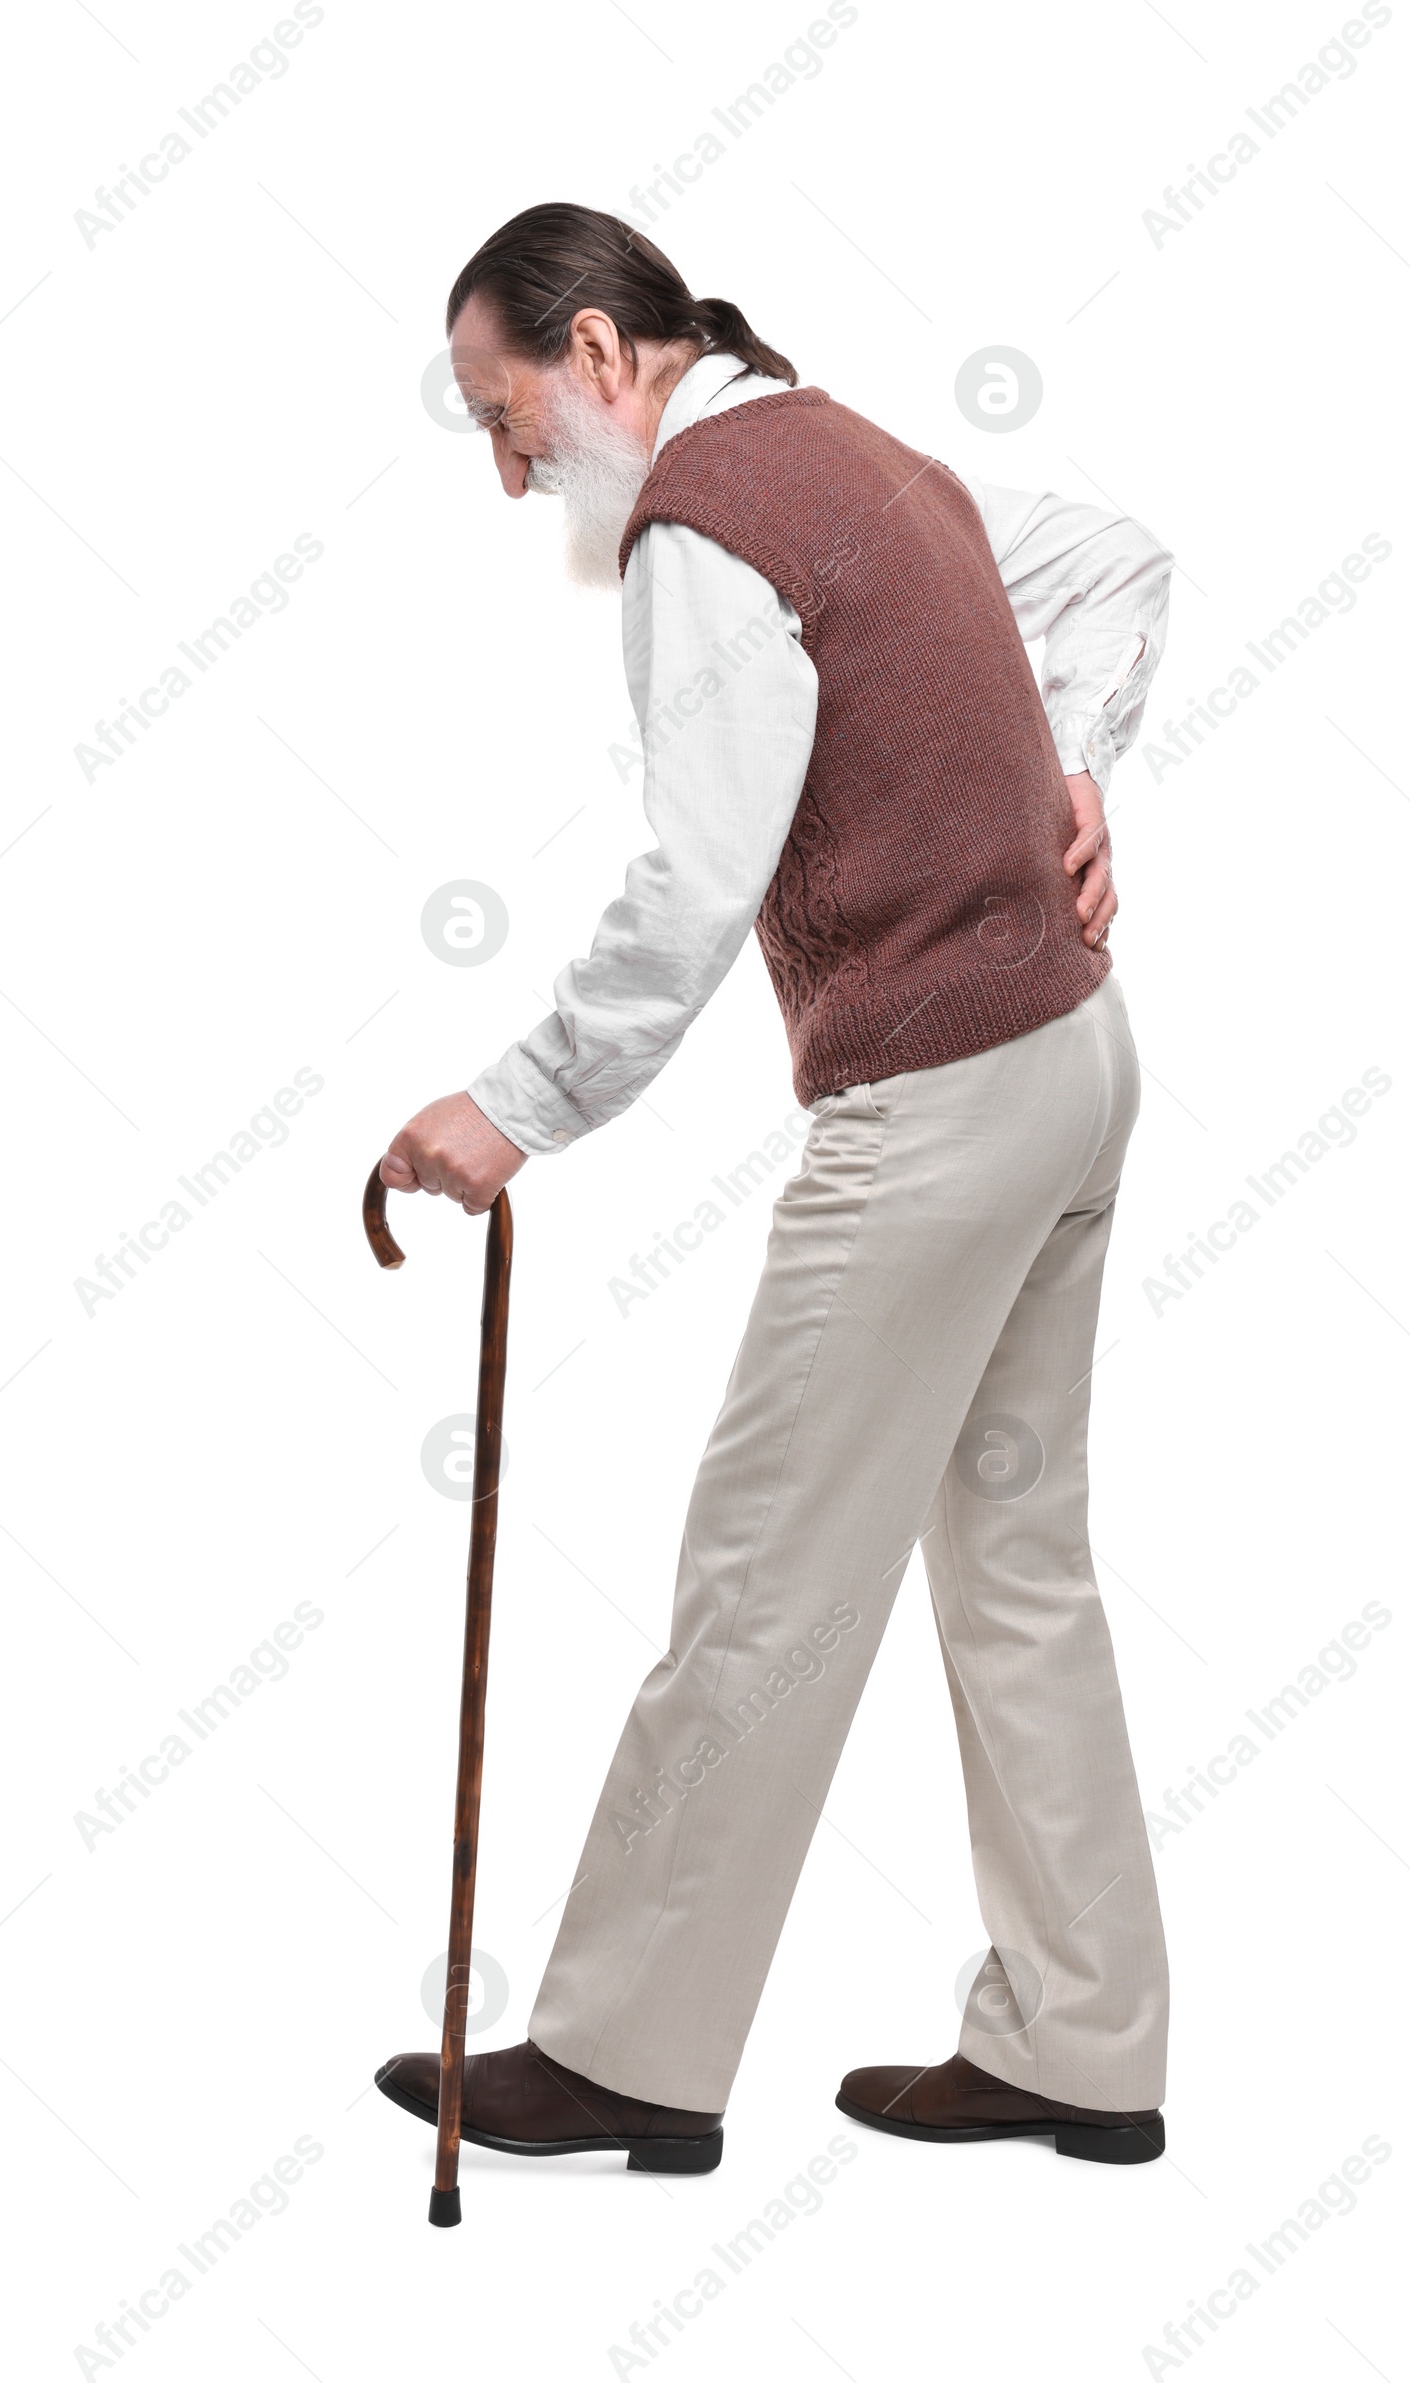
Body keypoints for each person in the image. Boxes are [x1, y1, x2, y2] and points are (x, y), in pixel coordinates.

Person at [375, 202, 1172, 2172]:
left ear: (599, 354)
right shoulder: (853, 451)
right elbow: (1115, 560)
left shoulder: (701, 523)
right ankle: (1080, 2042)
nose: (506, 469)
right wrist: (1071, 768)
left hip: (939, 1099)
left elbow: (692, 883)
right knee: (1017, 1563)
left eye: (504, 417)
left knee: (761, 1571)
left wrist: (513, 1106)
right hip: (1072, 1059)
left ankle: (627, 2057)